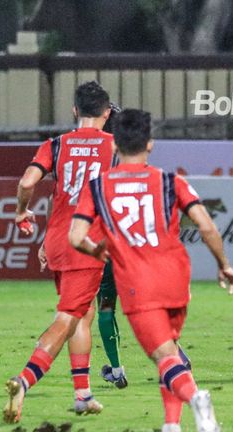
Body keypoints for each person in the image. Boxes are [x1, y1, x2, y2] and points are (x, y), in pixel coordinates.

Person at [69, 109, 233, 432]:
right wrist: (224, 265)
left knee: (164, 356)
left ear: (115, 144)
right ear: (150, 143)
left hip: (138, 284)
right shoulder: (171, 181)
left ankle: (196, 398)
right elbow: (206, 225)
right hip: (177, 279)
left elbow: (76, 236)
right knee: (172, 350)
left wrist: (97, 250)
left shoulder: (98, 187)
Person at [4, 81, 115, 423]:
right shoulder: (114, 146)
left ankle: (83, 394)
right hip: (88, 244)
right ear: (107, 114)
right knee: (67, 317)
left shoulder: (55, 144)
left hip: (58, 240)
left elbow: (27, 184)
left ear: (74, 111)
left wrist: (23, 213)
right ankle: (24, 380)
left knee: (82, 314)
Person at [96, 102, 128, 389]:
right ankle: (177, 358)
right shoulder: (134, 157)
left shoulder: (96, 158)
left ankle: (117, 370)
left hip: (107, 242)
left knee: (105, 307)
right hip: (135, 243)